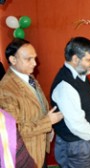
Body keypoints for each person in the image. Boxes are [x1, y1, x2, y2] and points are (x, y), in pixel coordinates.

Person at [0, 38, 63, 168]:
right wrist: (48, 122)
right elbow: (16, 131)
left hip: (40, 148)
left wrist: (49, 128)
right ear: (13, 60)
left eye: (35, 58)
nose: (34, 63)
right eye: (28, 59)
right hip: (27, 155)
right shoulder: (6, 89)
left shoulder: (29, 77)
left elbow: (37, 105)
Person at [50, 36, 90, 167]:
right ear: (75, 59)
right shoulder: (65, 85)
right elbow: (76, 124)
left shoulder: (81, 74)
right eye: (89, 59)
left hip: (86, 140)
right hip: (76, 146)